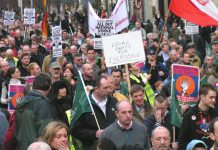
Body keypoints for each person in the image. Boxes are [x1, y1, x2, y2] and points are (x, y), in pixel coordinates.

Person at [71, 76, 117, 150]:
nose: (109, 90)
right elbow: (76, 131)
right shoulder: (84, 105)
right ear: (96, 89)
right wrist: (94, 134)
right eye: (105, 88)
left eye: (109, 87)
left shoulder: (114, 101)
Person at [15, 73, 56, 150]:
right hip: (38, 147)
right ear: (50, 87)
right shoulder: (43, 104)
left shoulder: (21, 102)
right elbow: (46, 132)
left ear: (33, 85)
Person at [178, 85, 217, 149]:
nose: (214, 100)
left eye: (215, 98)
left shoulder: (215, 114)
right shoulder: (189, 114)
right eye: (211, 97)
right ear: (202, 97)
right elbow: (182, 140)